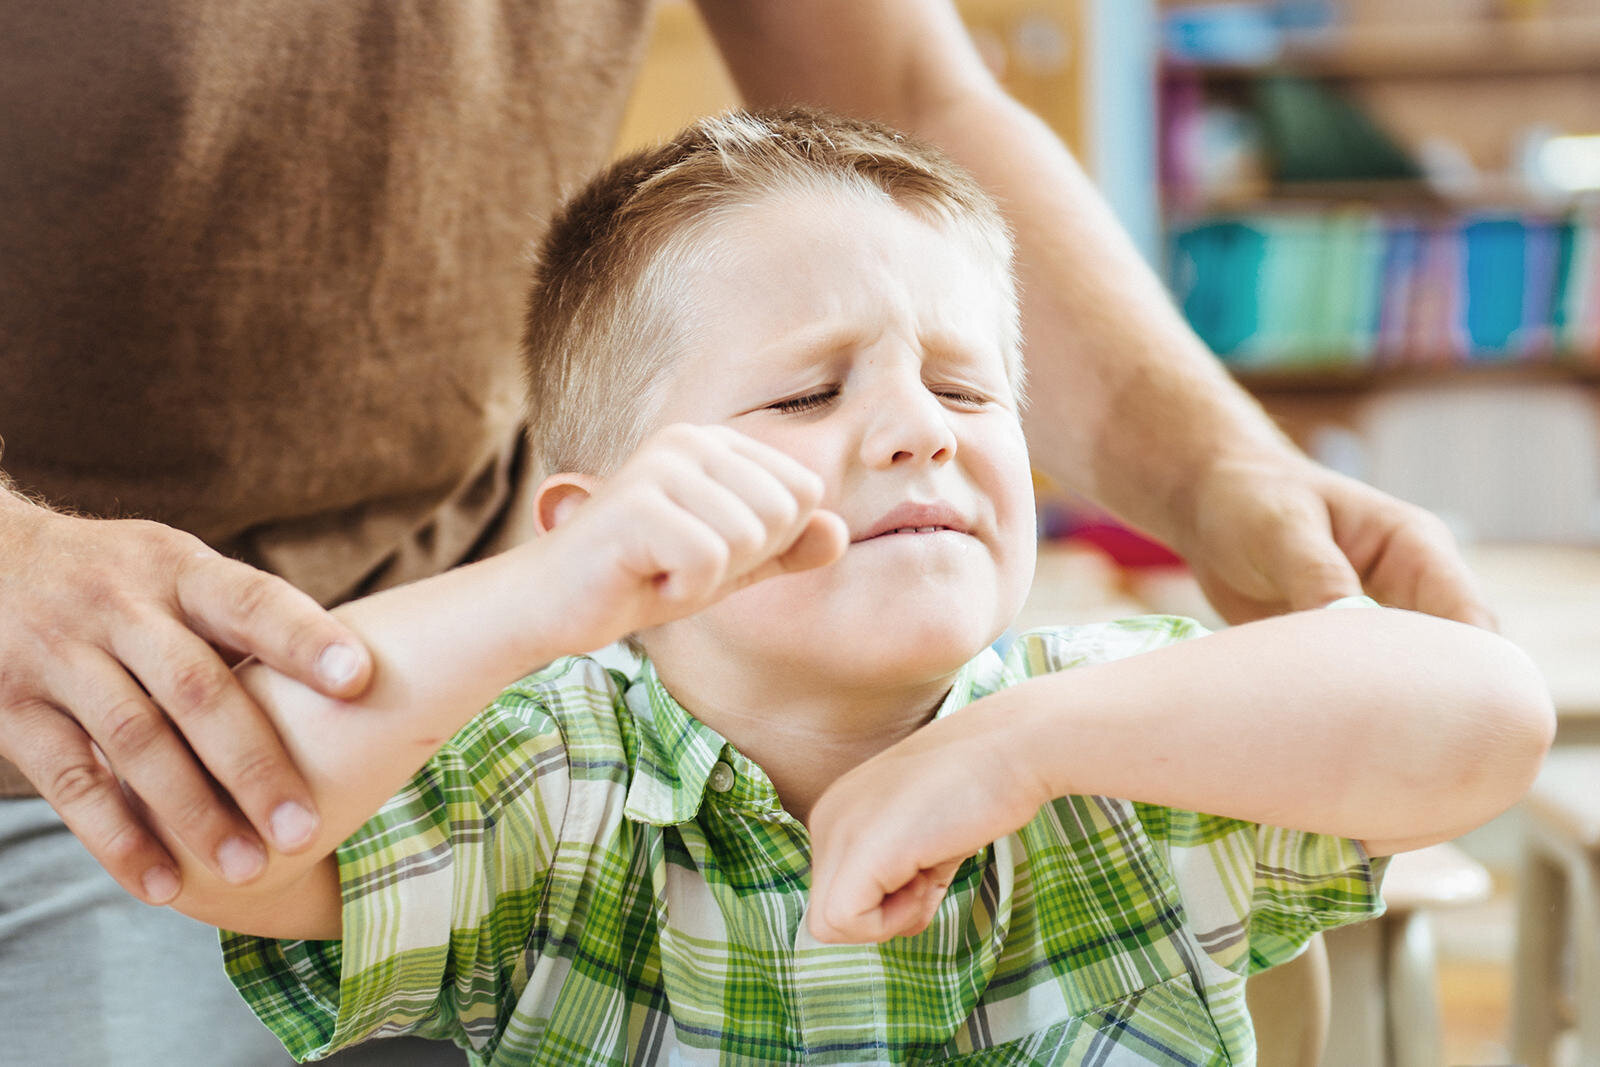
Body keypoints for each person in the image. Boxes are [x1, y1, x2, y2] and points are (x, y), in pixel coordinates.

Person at [0, 3, 1493, 1062]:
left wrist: (1010, 748)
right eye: (805, 393)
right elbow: (225, 836)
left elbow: (1472, 715)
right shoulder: (550, 783)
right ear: (604, 535)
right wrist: (542, 600)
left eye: (969, 385)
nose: (923, 427)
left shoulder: (1110, 738)